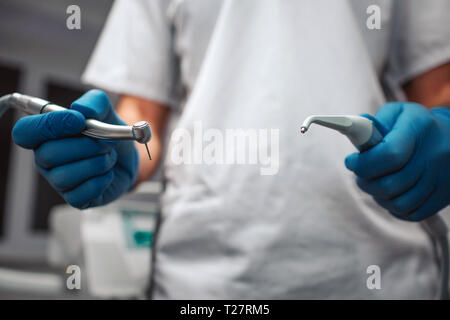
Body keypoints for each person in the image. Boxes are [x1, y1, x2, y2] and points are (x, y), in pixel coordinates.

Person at [12, 0, 450, 298]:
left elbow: (439, 90)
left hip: (382, 276)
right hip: (200, 285)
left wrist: (442, 129)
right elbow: (143, 109)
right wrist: (116, 143)